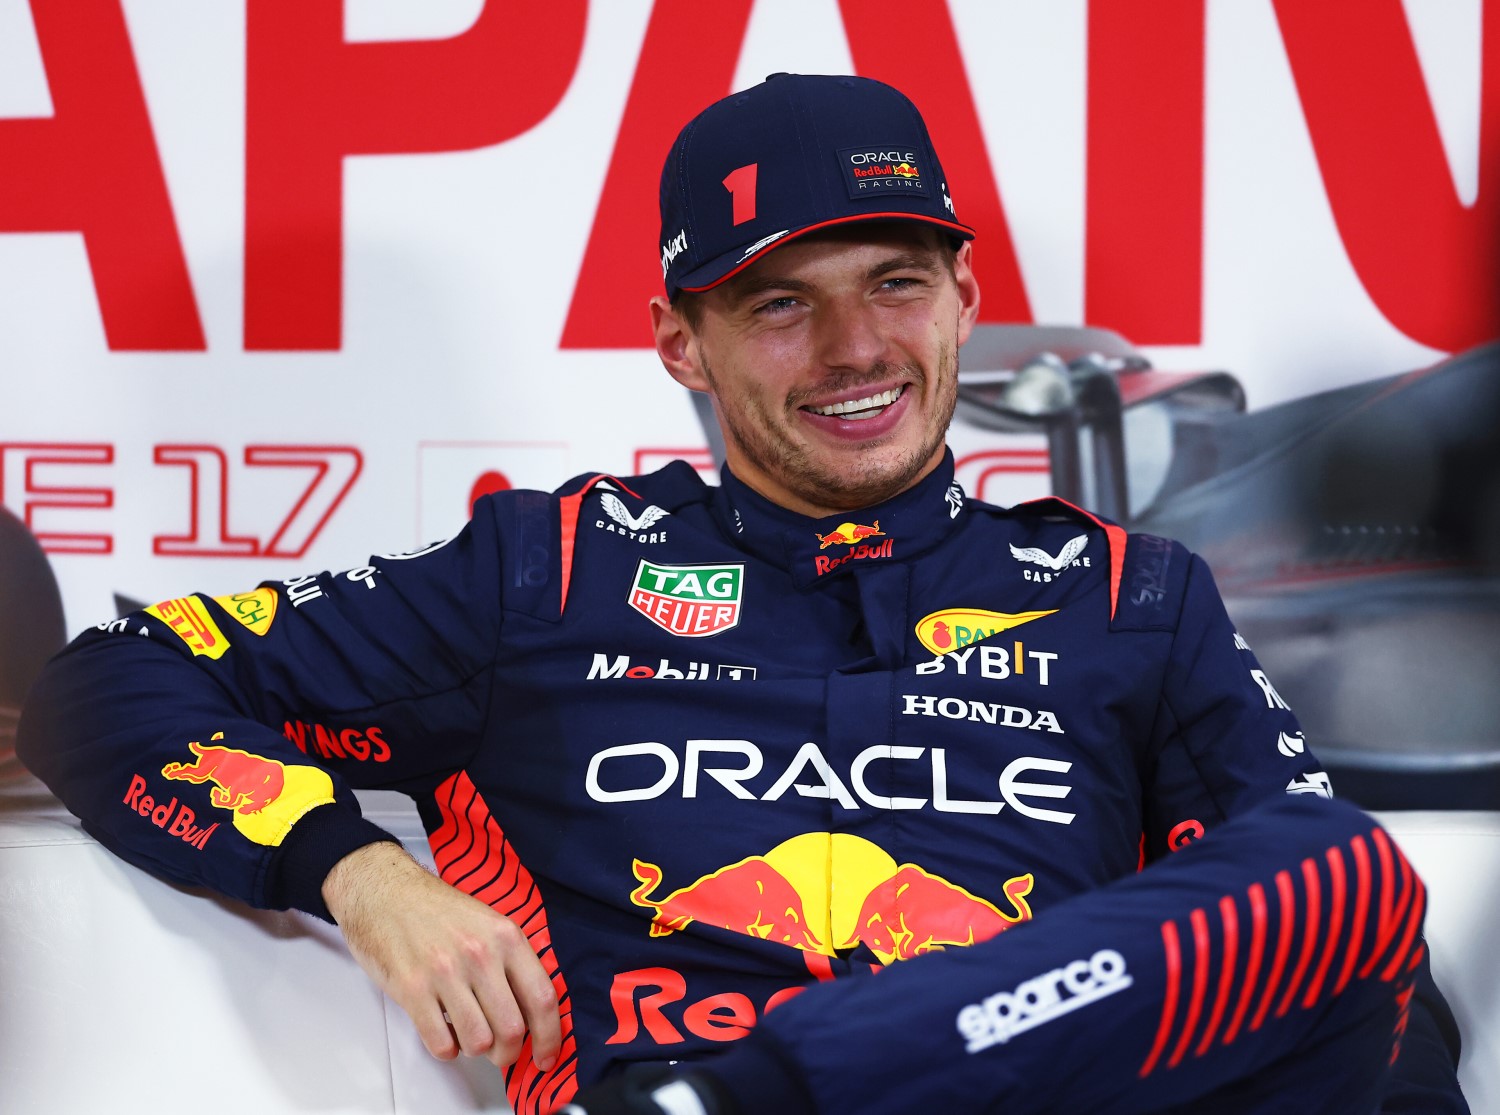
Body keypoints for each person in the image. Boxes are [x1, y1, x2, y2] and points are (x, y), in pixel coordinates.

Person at [18, 74, 1464, 1115]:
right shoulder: (551, 571)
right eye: (780, 302)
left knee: (1343, 875)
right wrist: (356, 869)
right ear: (681, 344)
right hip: (662, 1066)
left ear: (964, 298)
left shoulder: (1128, 598)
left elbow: (1340, 946)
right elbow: (109, 685)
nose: (854, 347)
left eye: (895, 281)